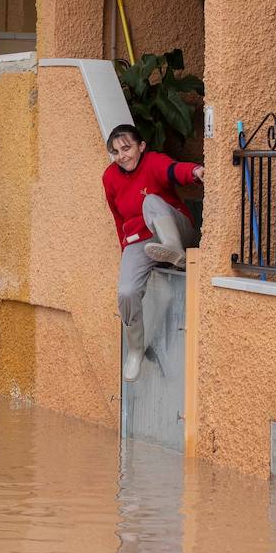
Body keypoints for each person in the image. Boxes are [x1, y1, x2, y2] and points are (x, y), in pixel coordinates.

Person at [102, 124, 205, 382]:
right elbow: (117, 218)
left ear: (141, 146)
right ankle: (135, 350)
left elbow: (173, 170)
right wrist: (125, 250)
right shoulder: (110, 177)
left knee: (150, 201)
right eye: (115, 152)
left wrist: (195, 171)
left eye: (126, 148)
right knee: (126, 292)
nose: (121, 155)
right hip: (141, 241)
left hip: (176, 229)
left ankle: (174, 251)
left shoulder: (153, 161)